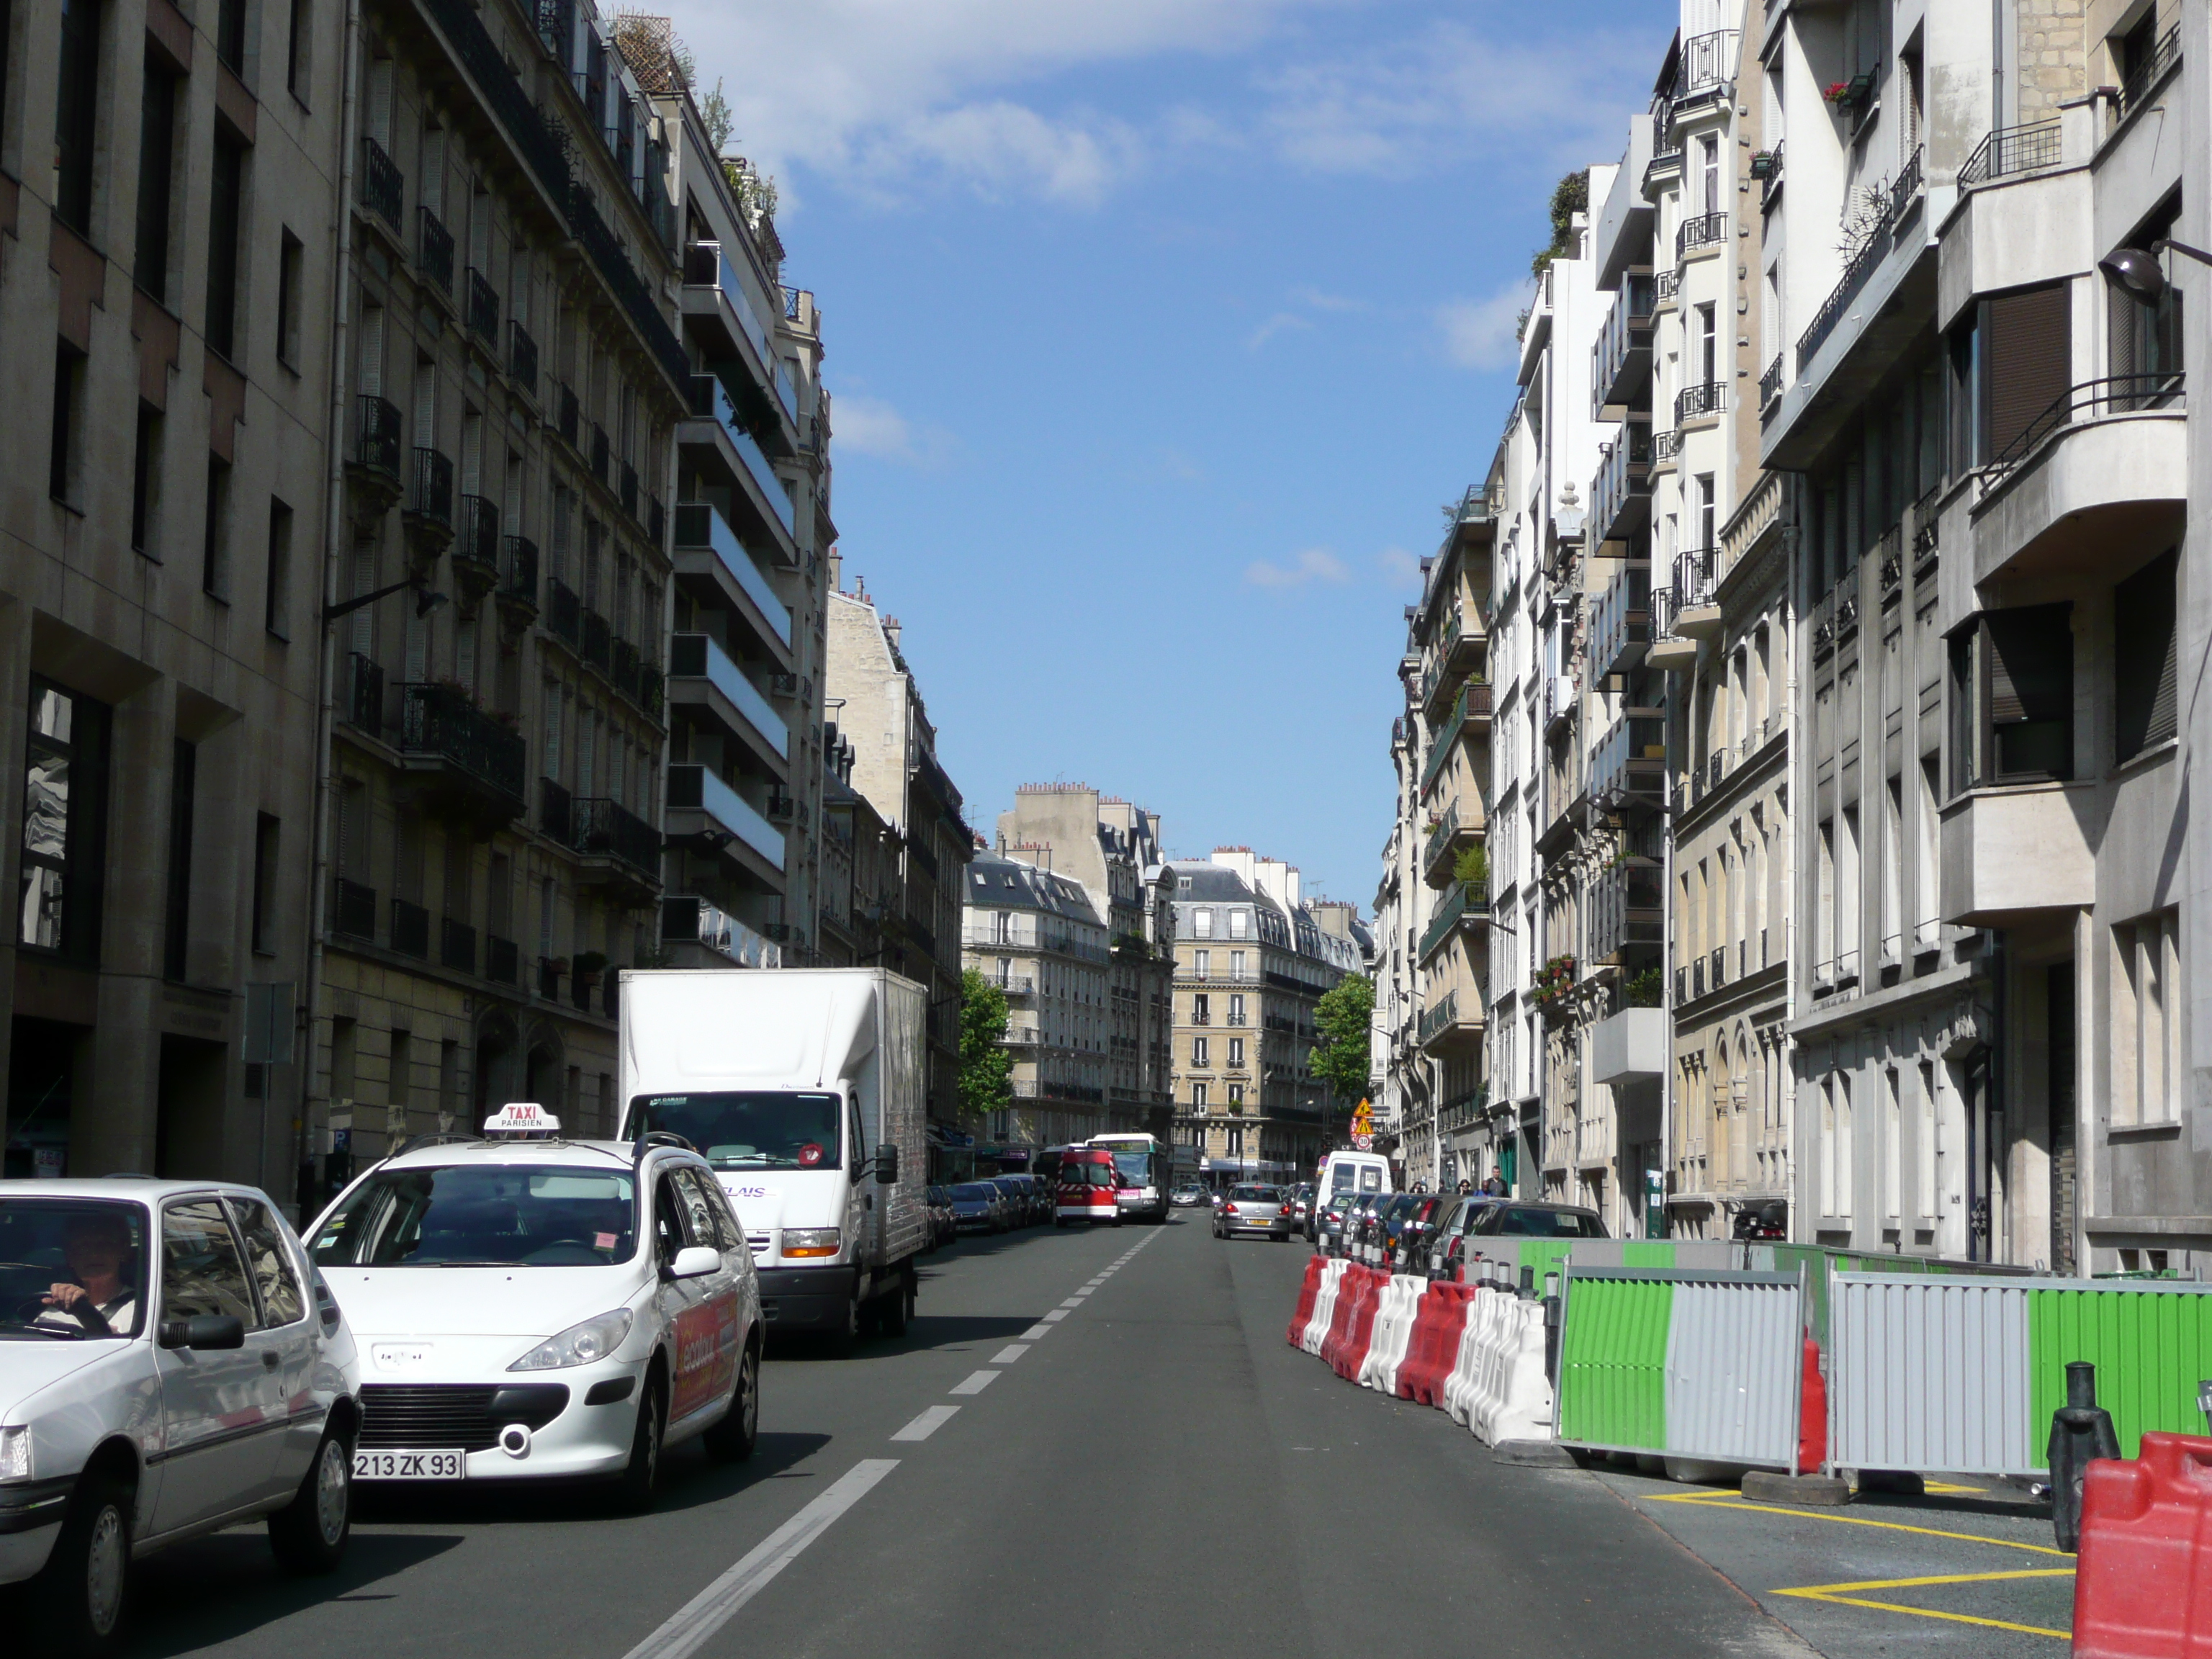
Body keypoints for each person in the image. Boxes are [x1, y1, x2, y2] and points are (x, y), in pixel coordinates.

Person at [39, 1211, 139, 1336]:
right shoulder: (52, 1311)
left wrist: (82, 1311)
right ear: (70, 1257)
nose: (94, 1255)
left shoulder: (139, 1308)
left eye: (104, 1245)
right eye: (83, 1246)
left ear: (123, 1252)